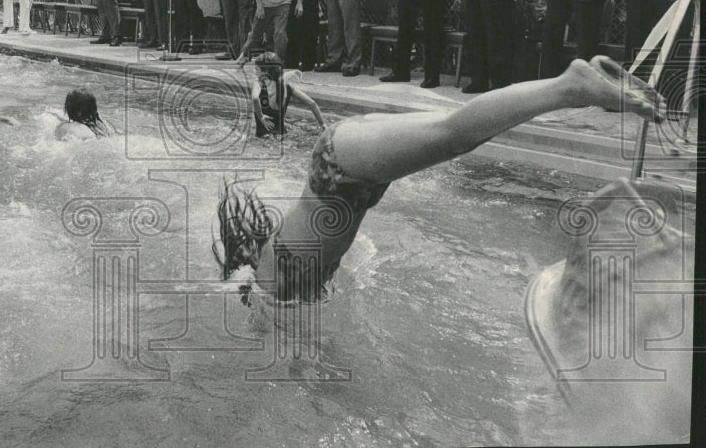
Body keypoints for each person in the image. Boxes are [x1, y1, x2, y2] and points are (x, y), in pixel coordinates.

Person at [213, 55, 667, 303]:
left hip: (342, 172)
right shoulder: (285, 266)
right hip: (344, 166)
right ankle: (572, 85)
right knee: (454, 126)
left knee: (455, 137)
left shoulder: (266, 289)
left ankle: (573, 85)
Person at [247, 52, 325, 137]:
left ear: (265, 71)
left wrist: (261, 117)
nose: (254, 71)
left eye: (257, 69)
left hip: (262, 139)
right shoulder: (286, 87)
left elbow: (255, 98)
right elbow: (312, 103)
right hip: (282, 135)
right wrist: (323, 125)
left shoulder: (258, 84)